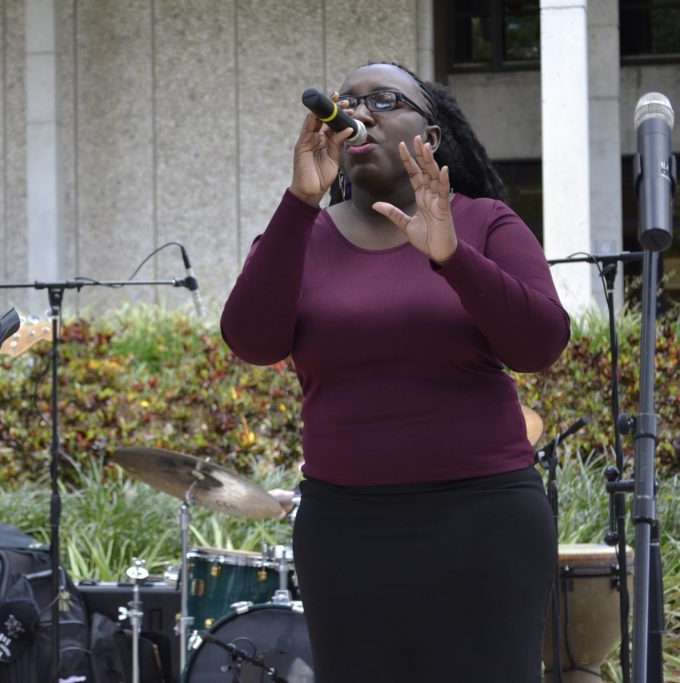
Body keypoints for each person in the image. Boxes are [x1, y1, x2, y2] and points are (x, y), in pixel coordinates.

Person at [220, 62, 570, 682]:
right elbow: (250, 340)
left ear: (431, 138)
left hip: (483, 521)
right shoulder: (302, 233)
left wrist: (453, 258)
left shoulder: (486, 222)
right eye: (346, 100)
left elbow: (539, 346)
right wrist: (300, 201)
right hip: (346, 528)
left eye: (383, 98)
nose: (359, 111)